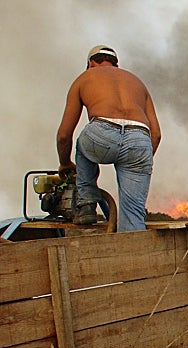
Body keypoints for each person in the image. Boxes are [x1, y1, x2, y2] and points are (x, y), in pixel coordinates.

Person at [56, 45, 161, 231]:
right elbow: (157, 134)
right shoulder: (137, 82)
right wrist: (139, 162)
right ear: (116, 64)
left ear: (90, 63)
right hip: (140, 138)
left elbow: (64, 136)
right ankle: (133, 258)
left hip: (101, 133)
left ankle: (86, 203)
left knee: (82, 142)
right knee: (133, 215)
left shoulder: (84, 78)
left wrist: (65, 163)